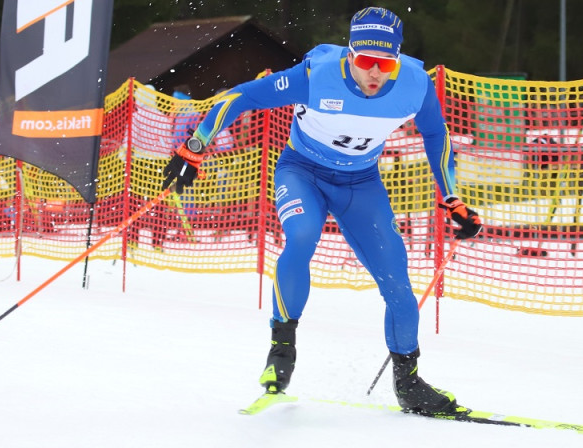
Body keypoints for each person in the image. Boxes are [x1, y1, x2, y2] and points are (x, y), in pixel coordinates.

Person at [162, 7, 483, 416]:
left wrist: (452, 196)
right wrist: (197, 142)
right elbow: (243, 95)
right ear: (350, 55)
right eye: (365, 61)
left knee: (397, 280)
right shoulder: (318, 75)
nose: (375, 73)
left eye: (385, 64)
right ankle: (282, 350)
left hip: (360, 184)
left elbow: (437, 133)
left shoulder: (416, 86)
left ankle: (408, 383)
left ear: (397, 60)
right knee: (301, 236)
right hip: (302, 173)